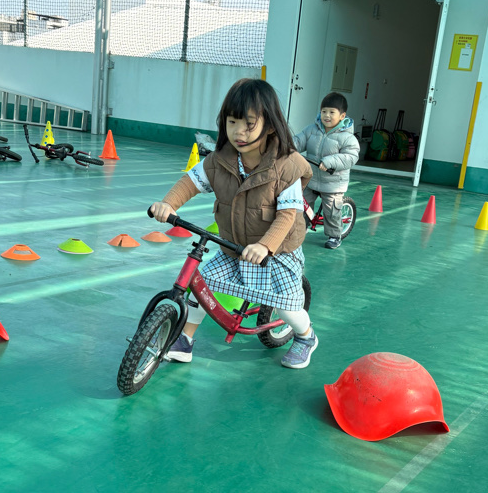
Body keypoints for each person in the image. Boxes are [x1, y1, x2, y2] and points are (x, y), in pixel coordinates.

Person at [149, 78, 318, 370]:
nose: (239, 132)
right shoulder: (220, 160)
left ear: (270, 125)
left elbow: (287, 216)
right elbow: (191, 182)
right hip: (233, 247)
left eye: (249, 124)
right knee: (201, 288)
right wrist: (168, 203)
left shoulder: (286, 165)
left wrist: (265, 245)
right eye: (232, 122)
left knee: (287, 306)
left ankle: (306, 337)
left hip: (276, 252)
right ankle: (184, 340)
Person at [294, 92, 360, 249]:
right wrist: (288, 147)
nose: (327, 116)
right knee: (301, 204)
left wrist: (329, 162)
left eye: (332, 112)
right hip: (311, 178)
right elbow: (298, 140)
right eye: (324, 111)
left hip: (333, 182)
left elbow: (350, 157)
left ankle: (335, 235)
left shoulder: (347, 137)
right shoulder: (312, 129)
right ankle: (300, 228)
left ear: (342, 116)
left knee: (331, 210)